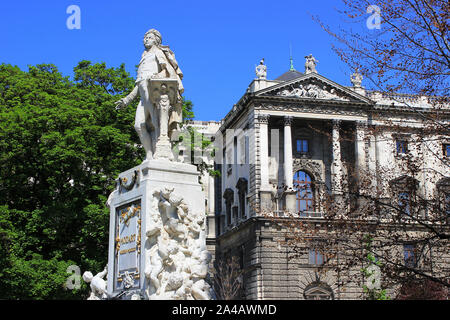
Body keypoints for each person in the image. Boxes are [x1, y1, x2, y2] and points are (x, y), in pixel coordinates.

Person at [115, 29, 184, 160]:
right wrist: (127, 100)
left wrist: (157, 76)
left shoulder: (158, 53)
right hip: (143, 96)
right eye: (145, 37)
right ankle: (149, 154)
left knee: (156, 124)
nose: (145, 39)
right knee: (138, 125)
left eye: (149, 37)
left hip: (154, 95)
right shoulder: (143, 57)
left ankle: (161, 152)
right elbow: (139, 84)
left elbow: (167, 71)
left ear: (156, 40)